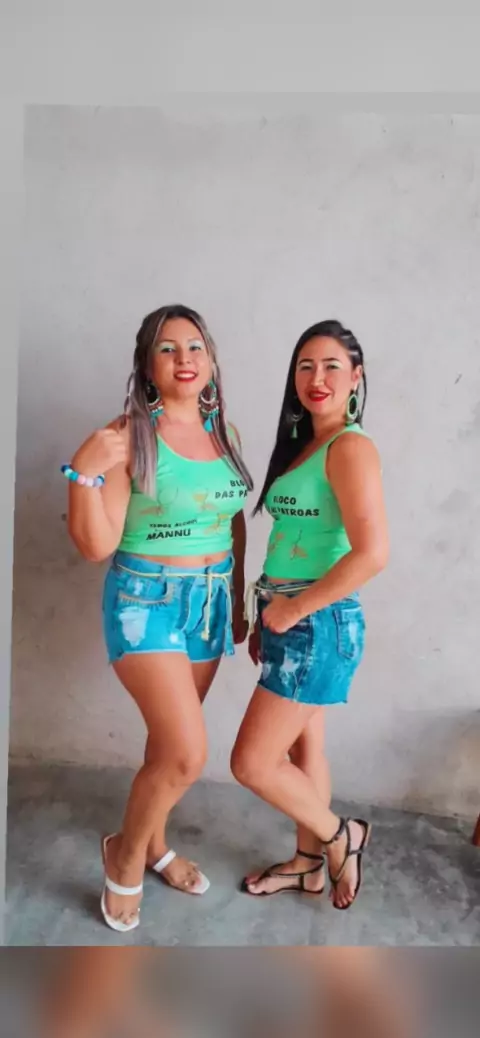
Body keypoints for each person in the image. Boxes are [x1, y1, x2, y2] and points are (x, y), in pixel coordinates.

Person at [65, 303, 253, 932]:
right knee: (186, 753)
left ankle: (154, 844)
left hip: (210, 601)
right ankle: (124, 856)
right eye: (167, 349)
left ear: (211, 360)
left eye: (195, 347)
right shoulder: (128, 436)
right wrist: (82, 472)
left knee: (167, 745)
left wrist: (237, 598)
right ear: (148, 365)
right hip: (145, 603)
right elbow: (96, 545)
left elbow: (232, 521)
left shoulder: (226, 433)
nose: (184, 359)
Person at [231, 319, 388, 910]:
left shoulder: (351, 447)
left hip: (317, 622)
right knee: (305, 752)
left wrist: (294, 608)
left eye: (331, 366)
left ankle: (340, 835)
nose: (317, 378)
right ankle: (307, 866)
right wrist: (266, 612)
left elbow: (373, 553)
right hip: (290, 617)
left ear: (356, 377)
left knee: (252, 763)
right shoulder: (307, 444)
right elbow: (288, 542)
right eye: (305, 366)